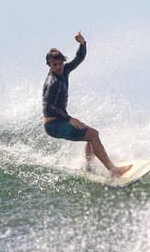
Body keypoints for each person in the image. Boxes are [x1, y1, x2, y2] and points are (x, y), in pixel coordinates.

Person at [42, 31, 131, 177]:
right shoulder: (52, 82)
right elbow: (50, 105)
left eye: (59, 63)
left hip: (59, 121)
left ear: (63, 62)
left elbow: (79, 58)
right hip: (53, 125)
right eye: (54, 65)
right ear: (49, 65)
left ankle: (89, 167)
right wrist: (69, 119)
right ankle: (114, 170)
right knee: (93, 135)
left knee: (90, 134)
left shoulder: (65, 71)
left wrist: (82, 43)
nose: (58, 67)